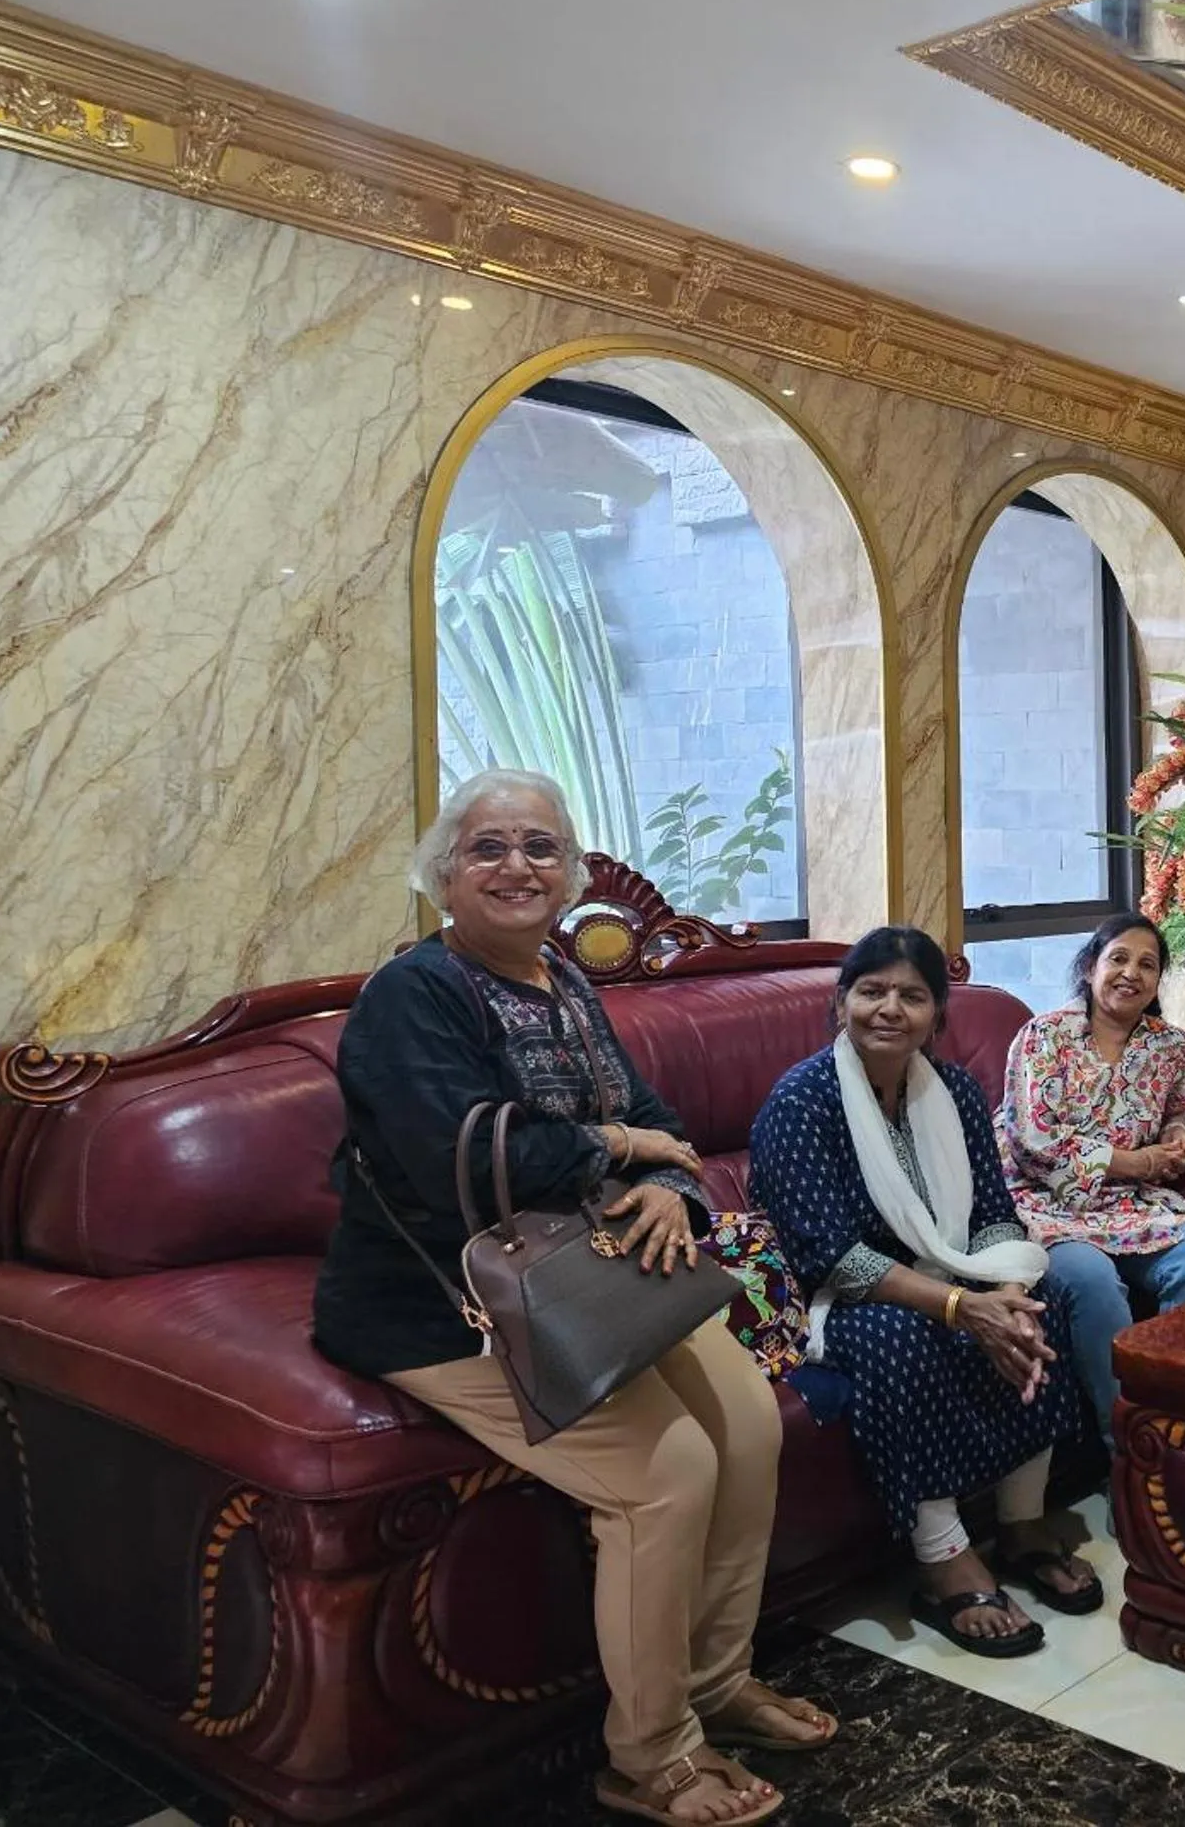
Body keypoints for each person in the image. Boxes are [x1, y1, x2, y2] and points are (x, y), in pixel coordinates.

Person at [312, 769, 832, 1827]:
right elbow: (457, 1160)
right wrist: (618, 1147)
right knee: (667, 1470)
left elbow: (656, 1118)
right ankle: (650, 1755)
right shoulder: (414, 994)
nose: (517, 867)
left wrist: (665, 1184)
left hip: (589, 1277)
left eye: (541, 848)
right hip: (445, 1300)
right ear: (442, 876)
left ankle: (715, 1681)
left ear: (574, 873)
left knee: (747, 1421)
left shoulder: (563, 980)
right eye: (488, 848)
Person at [749, 926, 1097, 1661]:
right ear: (841, 1002)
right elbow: (829, 1257)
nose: (889, 1009)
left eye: (911, 996)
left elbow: (993, 1213)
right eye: (871, 991)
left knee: (1048, 1297)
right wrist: (960, 1308)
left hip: (952, 1274)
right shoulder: (802, 1101)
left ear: (937, 1015)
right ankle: (942, 1557)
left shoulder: (958, 1091)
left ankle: (1022, 1522)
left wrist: (1003, 1288)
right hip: (843, 1302)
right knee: (902, 1336)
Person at [998, 914, 1185, 1446]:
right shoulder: (1044, 1037)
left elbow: (1176, 1105)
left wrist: (1174, 1132)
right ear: (1090, 967)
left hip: (1129, 1203)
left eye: (1148, 965)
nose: (1131, 974)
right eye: (1118, 958)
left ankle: (1179, 1423)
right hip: (1044, 1198)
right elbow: (1033, 1139)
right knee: (1094, 1281)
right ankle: (1126, 1439)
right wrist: (1135, 1163)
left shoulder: (1174, 1048)